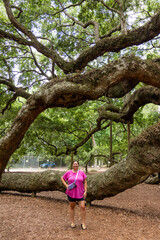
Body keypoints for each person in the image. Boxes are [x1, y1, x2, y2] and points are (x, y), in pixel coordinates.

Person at [61, 160, 87, 230]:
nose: (75, 165)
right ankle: (72, 222)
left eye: (76, 164)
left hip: (80, 193)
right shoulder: (68, 172)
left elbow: (85, 182)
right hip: (71, 193)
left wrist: (85, 192)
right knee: (72, 207)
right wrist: (66, 185)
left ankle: (83, 223)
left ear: (78, 165)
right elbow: (62, 178)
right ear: (72, 165)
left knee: (82, 207)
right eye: (74, 164)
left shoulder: (81, 173)